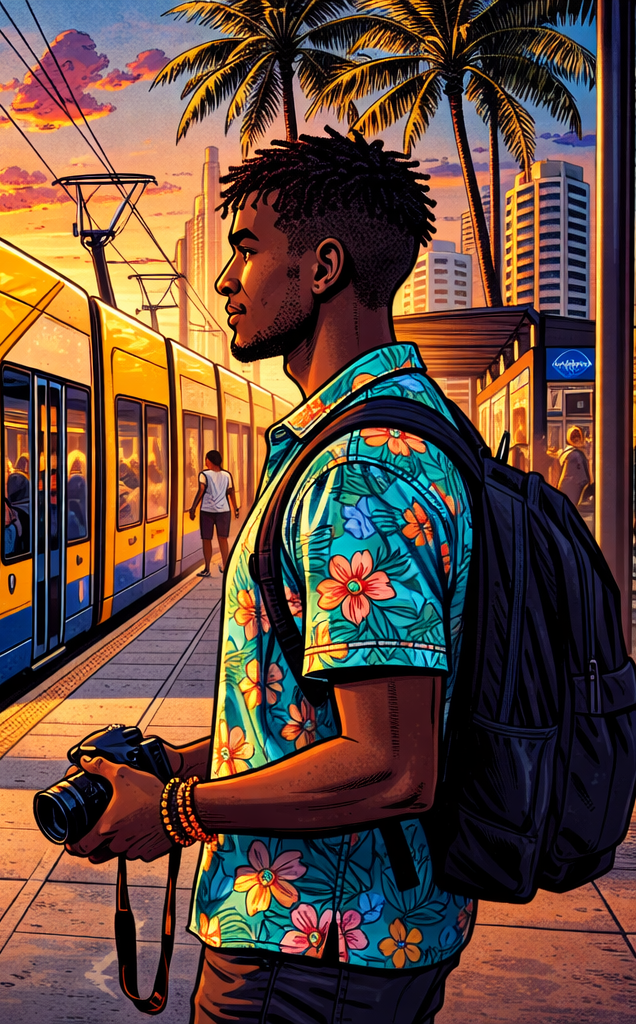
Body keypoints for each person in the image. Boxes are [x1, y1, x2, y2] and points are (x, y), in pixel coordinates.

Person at [70, 129, 477, 1022]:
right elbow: (342, 721)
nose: (225, 281)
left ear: (323, 266)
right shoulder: (392, 436)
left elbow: (391, 764)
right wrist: (178, 764)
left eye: (247, 252)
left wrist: (179, 810)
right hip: (358, 935)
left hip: (312, 946)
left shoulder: (359, 472)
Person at [187, 450, 238, 577]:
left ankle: (207, 568)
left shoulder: (204, 474)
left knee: (206, 539)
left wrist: (193, 508)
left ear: (209, 460)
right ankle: (226, 566)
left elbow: (201, 491)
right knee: (223, 539)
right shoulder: (227, 475)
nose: (205, 462)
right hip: (224, 511)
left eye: (206, 459)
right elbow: (231, 492)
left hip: (207, 511)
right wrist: (235, 509)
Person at [556, 426, 591, 507]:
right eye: (573, 437)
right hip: (573, 488)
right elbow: (570, 475)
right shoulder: (574, 454)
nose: (576, 439)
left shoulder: (569, 453)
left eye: (578, 436)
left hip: (569, 488)